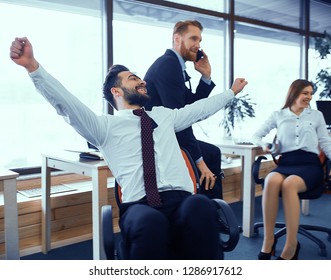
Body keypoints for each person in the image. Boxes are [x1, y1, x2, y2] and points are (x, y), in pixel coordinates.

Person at [10, 37, 247, 260]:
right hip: (140, 205)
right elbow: (66, 104)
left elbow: (202, 108)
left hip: (181, 199)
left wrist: (231, 92)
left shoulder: (165, 116)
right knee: (149, 223)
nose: (143, 80)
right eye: (134, 78)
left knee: (201, 206)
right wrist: (33, 67)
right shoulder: (104, 127)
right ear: (116, 91)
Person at [252, 79, 331, 260]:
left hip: (309, 164)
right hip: (287, 161)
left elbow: (326, 143)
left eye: (311, 94)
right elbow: (256, 135)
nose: (309, 97)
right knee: (271, 180)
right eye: (305, 93)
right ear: (294, 93)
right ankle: (269, 241)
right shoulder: (278, 115)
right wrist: (265, 145)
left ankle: (291, 245)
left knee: (289, 184)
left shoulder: (316, 115)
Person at [144, 20, 223, 199]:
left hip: (167, 134)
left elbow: (192, 110)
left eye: (200, 41)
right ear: (177, 39)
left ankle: (211, 214)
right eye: (193, 38)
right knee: (209, 155)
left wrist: (206, 77)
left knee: (210, 153)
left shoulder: (176, 66)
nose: (198, 45)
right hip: (160, 140)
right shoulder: (168, 65)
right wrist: (199, 161)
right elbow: (180, 119)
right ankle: (214, 216)